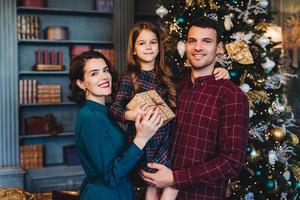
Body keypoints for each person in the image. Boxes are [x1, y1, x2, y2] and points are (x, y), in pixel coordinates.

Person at [110, 22, 230, 200]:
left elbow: (199, 72)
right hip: (145, 139)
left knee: (170, 185)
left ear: (159, 47)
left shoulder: (167, 73)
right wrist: (130, 115)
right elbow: (114, 108)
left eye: (153, 42)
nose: (148, 47)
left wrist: (220, 71)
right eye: (142, 43)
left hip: (166, 136)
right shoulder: (129, 77)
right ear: (134, 50)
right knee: (152, 182)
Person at [140, 17, 249, 200]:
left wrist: (175, 178)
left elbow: (232, 163)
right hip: (157, 192)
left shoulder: (231, 95)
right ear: (186, 45)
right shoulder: (174, 86)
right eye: (192, 41)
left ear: (219, 48)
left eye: (206, 41)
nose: (198, 47)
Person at [68, 50, 164, 200]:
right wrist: (142, 138)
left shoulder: (104, 111)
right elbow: (111, 175)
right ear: (81, 83)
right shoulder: (90, 118)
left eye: (105, 70)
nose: (104, 76)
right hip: (106, 195)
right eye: (94, 73)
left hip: (119, 191)